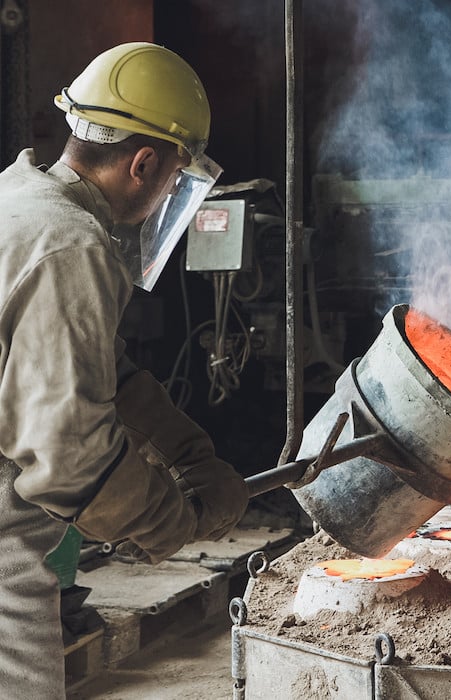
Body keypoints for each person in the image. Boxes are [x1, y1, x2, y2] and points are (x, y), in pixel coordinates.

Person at [0, 43, 249, 696]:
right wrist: (179, 520)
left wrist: (186, 450)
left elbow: (103, 369)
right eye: (176, 177)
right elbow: (69, 458)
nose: (172, 192)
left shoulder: (22, 198)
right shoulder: (70, 246)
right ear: (144, 163)